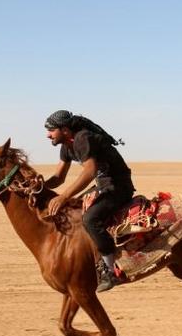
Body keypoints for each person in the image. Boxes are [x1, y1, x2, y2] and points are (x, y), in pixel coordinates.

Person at [44, 110, 135, 292]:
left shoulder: (82, 138)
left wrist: (64, 197)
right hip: (103, 186)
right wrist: (40, 187)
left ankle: (110, 271)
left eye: (52, 130)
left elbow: (89, 171)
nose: (48, 135)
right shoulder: (66, 146)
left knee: (90, 219)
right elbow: (59, 177)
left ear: (65, 129)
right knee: (74, 211)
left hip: (118, 187)